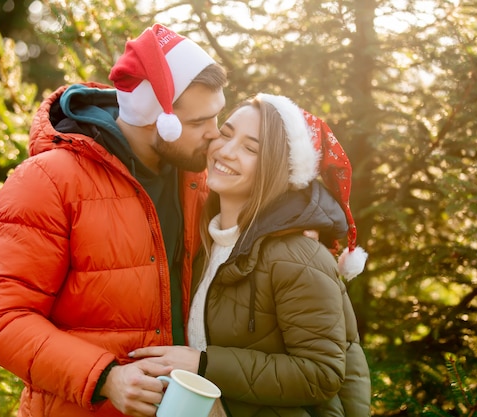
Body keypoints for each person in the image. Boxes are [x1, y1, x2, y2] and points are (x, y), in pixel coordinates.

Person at [0, 24, 227, 417]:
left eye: (216, 116)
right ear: (153, 119)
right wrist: (106, 377)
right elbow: (0, 320)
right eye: (197, 124)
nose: (215, 135)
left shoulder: (198, 179)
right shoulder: (48, 181)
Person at [130, 93, 371, 416]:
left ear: (276, 169)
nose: (225, 151)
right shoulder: (205, 243)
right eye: (226, 134)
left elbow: (321, 374)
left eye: (250, 148)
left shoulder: (296, 255)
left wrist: (203, 365)